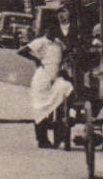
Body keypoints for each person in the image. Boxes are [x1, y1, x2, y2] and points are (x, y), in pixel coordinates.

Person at [18, 15, 76, 149]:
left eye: (55, 29)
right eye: (50, 29)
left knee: (67, 88)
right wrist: (37, 60)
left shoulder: (58, 43)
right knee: (40, 107)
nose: (53, 31)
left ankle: (68, 119)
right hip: (42, 77)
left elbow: (66, 52)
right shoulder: (41, 42)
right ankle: (42, 139)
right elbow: (22, 51)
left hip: (56, 77)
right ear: (45, 30)